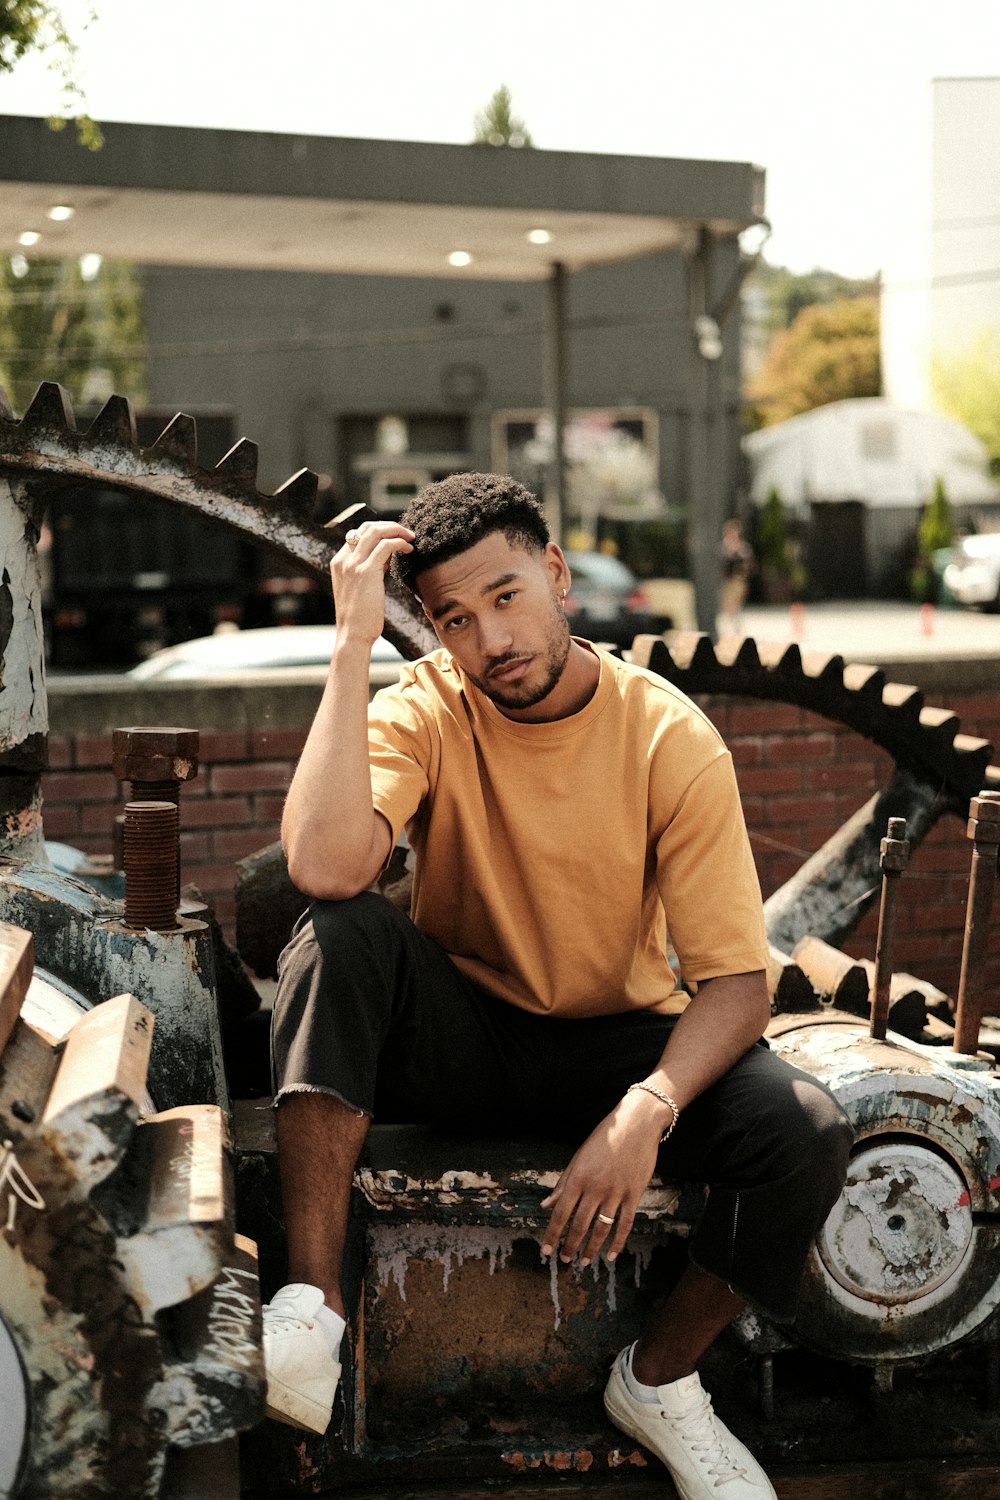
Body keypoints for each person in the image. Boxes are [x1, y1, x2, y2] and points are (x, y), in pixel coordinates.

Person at [262, 473, 852, 1500]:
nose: (490, 639)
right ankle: (309, 1310)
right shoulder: (430, 708)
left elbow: (734, 985)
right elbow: (322, 865)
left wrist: (646, 1111)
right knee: (340, 931)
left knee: (805, 1129)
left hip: (618, 1041)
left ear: (557, 576)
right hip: (467, 1037)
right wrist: (351, 647)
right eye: (453, 618)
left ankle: (660, 1382)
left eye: (505, 596)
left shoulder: (666, 735)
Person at [717, 517, 755, 637]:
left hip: (737, 580)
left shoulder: (742, 548)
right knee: (726, 606)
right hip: (726, 581)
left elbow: (748, 565)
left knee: (734, 605)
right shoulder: (724, 547)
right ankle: (729, 631)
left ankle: (736, 631)